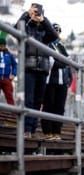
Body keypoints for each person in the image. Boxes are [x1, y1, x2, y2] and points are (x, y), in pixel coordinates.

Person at [15, 3, 58, 138]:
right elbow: (16, 28)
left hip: (42, 69)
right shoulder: (26, 27)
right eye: (34, 12)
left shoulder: (45, 31)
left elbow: (53, 36)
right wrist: (27, 14)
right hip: (28, 67)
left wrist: (44, 20)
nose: (36, 15)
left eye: (38, 13)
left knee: (37, 102)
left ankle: (32, 129)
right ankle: (26, 129)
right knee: (28, 99)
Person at [41, 23, 72, 140]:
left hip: (62, 81)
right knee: (49, 105)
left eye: (59, 31)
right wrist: (62, 63)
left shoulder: (61, 46)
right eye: (55, 31)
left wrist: (68, 75)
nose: (57, 33)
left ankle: (56, 132)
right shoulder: (47, 45)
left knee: (59, 107)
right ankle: (47, 131)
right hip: (50, 80)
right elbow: (52, 62)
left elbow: (67, 61)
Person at [0, 38, 17, 105]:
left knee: (9, 95)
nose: (1, 47)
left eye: (2, 45)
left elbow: (15, 64)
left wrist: (13, 74)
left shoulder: (9, 54)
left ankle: (13, 112)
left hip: (6, 78)